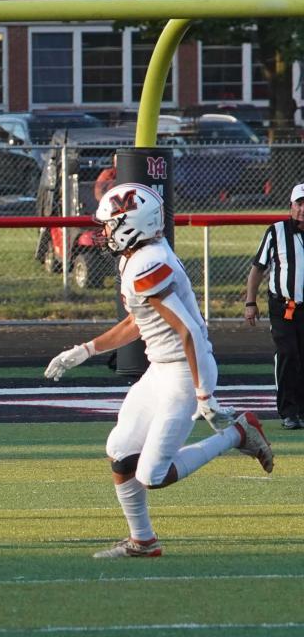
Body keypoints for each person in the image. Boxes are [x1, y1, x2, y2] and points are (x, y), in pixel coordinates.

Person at [44, 182, 273, 558]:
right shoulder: (136, 257)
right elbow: (140, 322)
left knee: (151, 474)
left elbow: (189, 331)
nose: (103, 232)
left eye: (110, 224)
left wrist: (204, 394)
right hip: (160, 369)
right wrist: (85, 350)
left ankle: (238, 433)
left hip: (185, 371)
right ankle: (143, 540)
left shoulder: (148, 263)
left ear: (131, 225)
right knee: (119, 450)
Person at [245, 182, 304, 430]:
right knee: (289, 354)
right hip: (284, 307)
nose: (303, 209)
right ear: (290, 205)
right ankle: (288, 412)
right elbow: (257, 269)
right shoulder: (276, 232)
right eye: (299, 203)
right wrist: (250, 302)